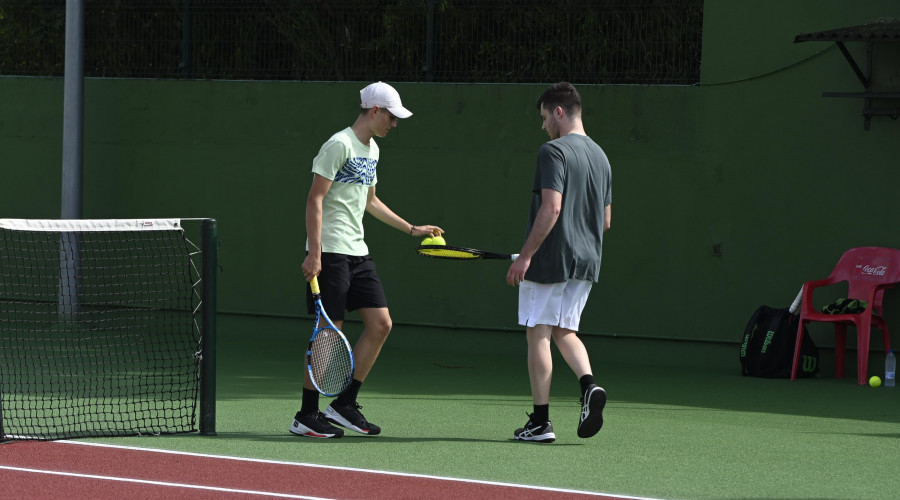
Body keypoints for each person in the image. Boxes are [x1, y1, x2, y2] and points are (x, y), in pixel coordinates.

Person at [291, 82, 444, 438]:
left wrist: (411, 228)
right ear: (374, 111)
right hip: (330, 252)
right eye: (391, 117)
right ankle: (306, 414)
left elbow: (370, 201)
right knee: (330, 332)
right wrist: (314, 253)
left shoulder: (372, 149)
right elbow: (315, 200)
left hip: (359, 253)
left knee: (381, 324)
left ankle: (344, 405)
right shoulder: (338, 145)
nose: (394, 124)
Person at [506, 82, 611, 443]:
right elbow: (605, 220)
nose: (543, 126)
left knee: (538, 334)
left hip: (552, 258)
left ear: (559, 112)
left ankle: (540, 422)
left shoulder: (553, 151)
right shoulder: (601, 157)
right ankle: (589, 386)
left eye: (544, 117)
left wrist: (527, 255)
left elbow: (552, 207)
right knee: (565, 330)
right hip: (587, 260)